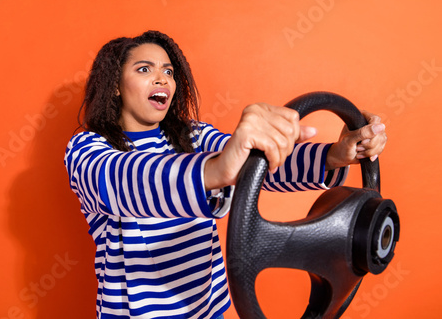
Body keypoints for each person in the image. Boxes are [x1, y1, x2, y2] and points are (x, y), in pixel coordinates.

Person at [64, 30, 387, 319]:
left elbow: (260, 164)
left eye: (168, 71)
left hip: (210, 306)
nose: (162, 78)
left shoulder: (193, 136)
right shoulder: (86, 149)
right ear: (115, 87)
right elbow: (125, 181)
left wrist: (334, 155)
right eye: (144, 69)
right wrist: (215, 170)